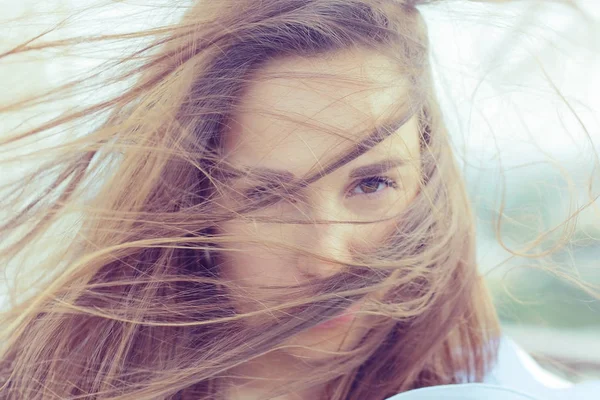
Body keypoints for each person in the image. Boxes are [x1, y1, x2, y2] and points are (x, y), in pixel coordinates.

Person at [0, 0, 597, 399]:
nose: (328, 255)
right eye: (265, 195)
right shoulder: (55, 380)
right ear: (189, 201)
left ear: (425, 181)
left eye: (371, 184)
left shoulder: (490, 382)